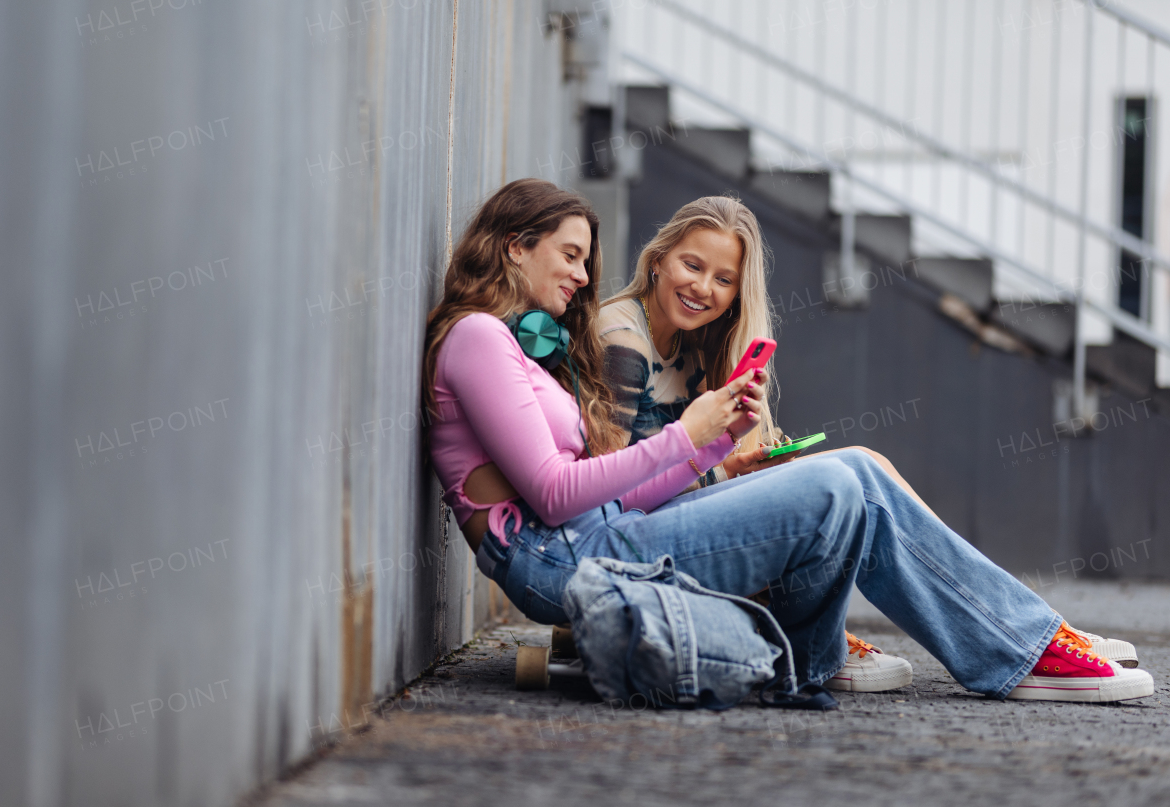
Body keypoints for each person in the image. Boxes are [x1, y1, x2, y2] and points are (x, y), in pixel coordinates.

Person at [422, 177, 1153, 703]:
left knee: (854, 473)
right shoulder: (478, 338)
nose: (585, 278)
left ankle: (918, 646)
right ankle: (1019, 649)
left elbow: (606, 489)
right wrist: (685, 435)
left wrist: (711, 447)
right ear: (517, 248)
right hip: (563, 561)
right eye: (572, 255)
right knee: (839, 484)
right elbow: (553, 493)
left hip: (598, 538)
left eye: (587, 259)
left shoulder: (510, 346)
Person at [597, 194, 1140, 683]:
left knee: (863, 464)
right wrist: (720, 470)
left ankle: (1021, 627)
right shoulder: (624, 339)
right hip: (635, 551)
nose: (703, 288)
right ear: (657, 258)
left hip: (673, 528)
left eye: (723, 279)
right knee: (853, 474)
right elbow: (606, 493)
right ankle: (1022, 641)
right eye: (692, 265)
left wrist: (736, 465)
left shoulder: (689, 344)